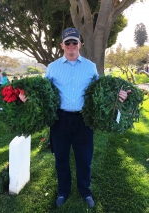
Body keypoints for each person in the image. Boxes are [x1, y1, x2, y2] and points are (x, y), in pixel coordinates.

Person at [19, 28, 130, 208]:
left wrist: (118, 94)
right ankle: (63, 192)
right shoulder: (53, 67)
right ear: (62, 45)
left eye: (75, 42)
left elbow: (101, 89)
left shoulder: (90, 67)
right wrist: (27, 97)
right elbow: (42, 92)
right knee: (61, 159)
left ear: (80, 44)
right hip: (60, 120)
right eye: (68, 43)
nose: (71, 46)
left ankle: (85, 191)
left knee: (84, 159)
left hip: (83, 120)